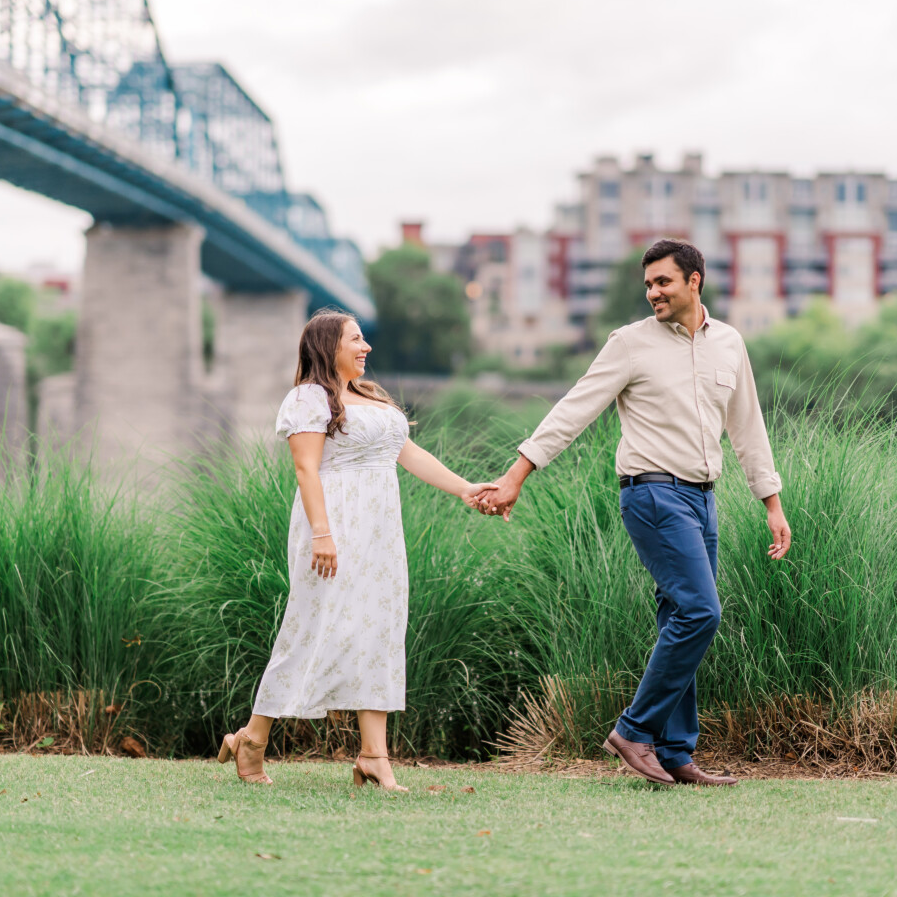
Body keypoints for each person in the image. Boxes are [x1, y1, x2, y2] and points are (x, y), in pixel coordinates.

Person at [478, 239, 791, 786]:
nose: (653, 293)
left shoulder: (729, 344)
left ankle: (676, 753)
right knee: (701, 612)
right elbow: (574, 409)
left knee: (680, 617)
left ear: (694, 281)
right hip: (652, 494)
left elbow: (747, 426)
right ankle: (633, 730)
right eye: (648, 284)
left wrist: (772, 503)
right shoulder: (629, 344)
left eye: (663, 282)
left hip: (702, 498)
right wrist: (515, 476)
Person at [218, 310, 497, 792]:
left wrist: (466, 489)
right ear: (328, 347)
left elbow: (408, 455)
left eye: (365, 338)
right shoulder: (309, 397)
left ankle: (374, 755)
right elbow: (307, 469)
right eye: (355, 339)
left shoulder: (370, 398)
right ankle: (253, 738)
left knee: (379, 629)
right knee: (311, 628)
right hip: (332, 524)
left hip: (380, 529)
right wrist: (323, 534)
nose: (366, 347)